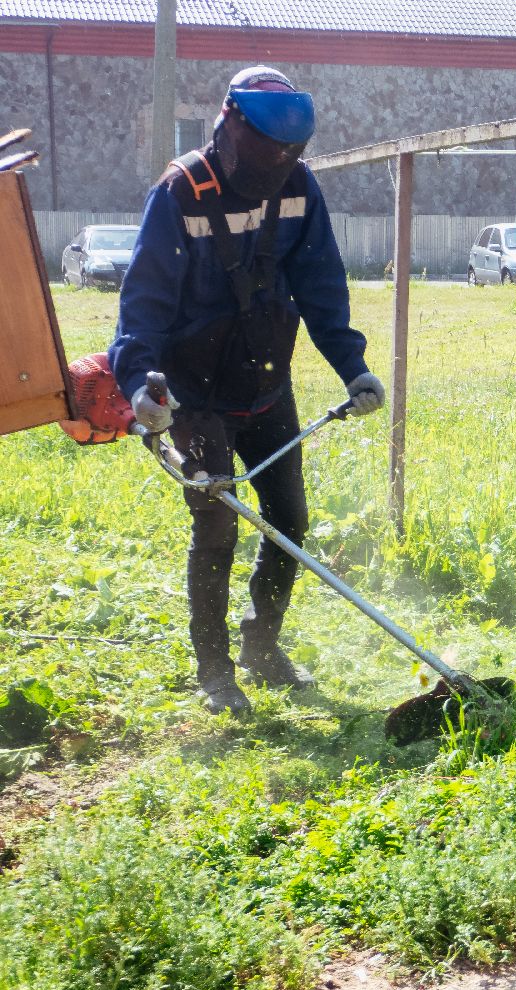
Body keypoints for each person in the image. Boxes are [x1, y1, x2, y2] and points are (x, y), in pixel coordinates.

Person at [109, 66, 385, 715]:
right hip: (193, 395)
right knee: (218, 523)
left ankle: (263, 644)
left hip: (265, 385)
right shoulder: (180, 193)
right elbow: (142, 306)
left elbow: (321, 282)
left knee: (289, 519)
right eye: (268, 151)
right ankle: (215, 671)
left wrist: (353, 367)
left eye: (290, 155)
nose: (278, 165)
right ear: (231, 126)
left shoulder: (297, 187)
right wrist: (137, 389)